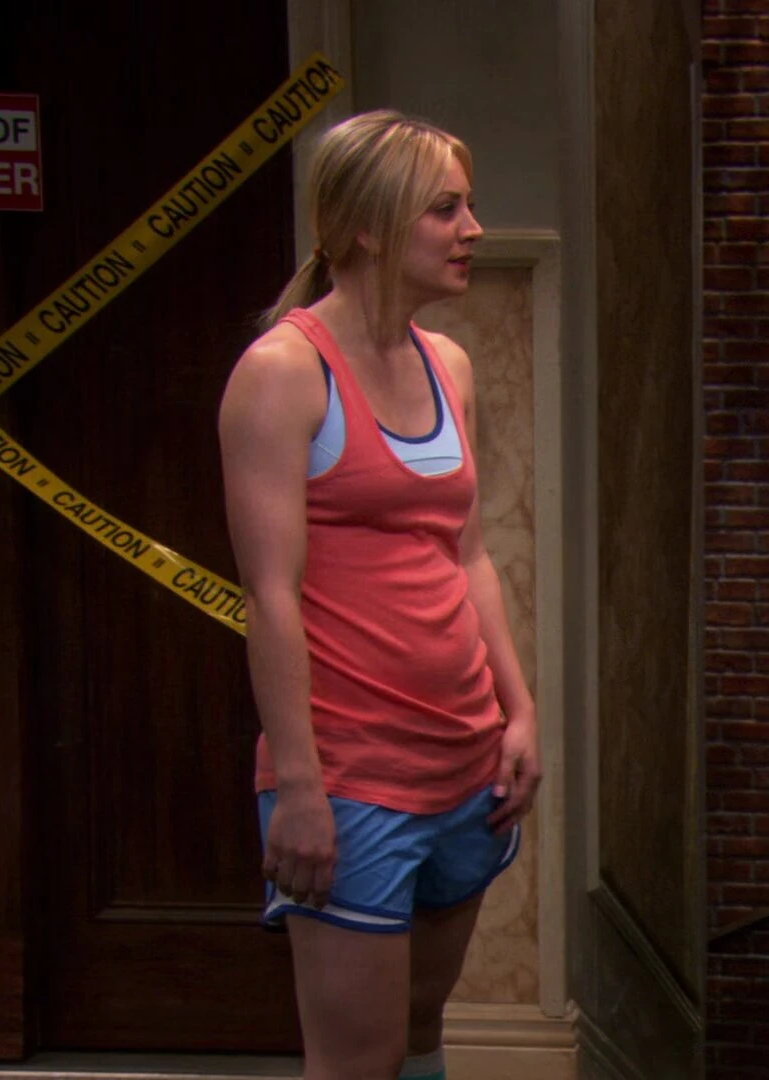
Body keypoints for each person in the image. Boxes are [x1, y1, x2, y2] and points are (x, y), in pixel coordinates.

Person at [218, 110, 539, 1080]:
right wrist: (300, 787)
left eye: (468, 206)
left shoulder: (450, 365)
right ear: (366, 226)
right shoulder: (283, 374)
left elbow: (467, 554)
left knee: (421, 1030)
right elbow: (271, 597)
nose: (473, 229)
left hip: (465, 763)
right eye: (445, 210)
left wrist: (519, 711)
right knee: (359, 1057)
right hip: (352, 776)